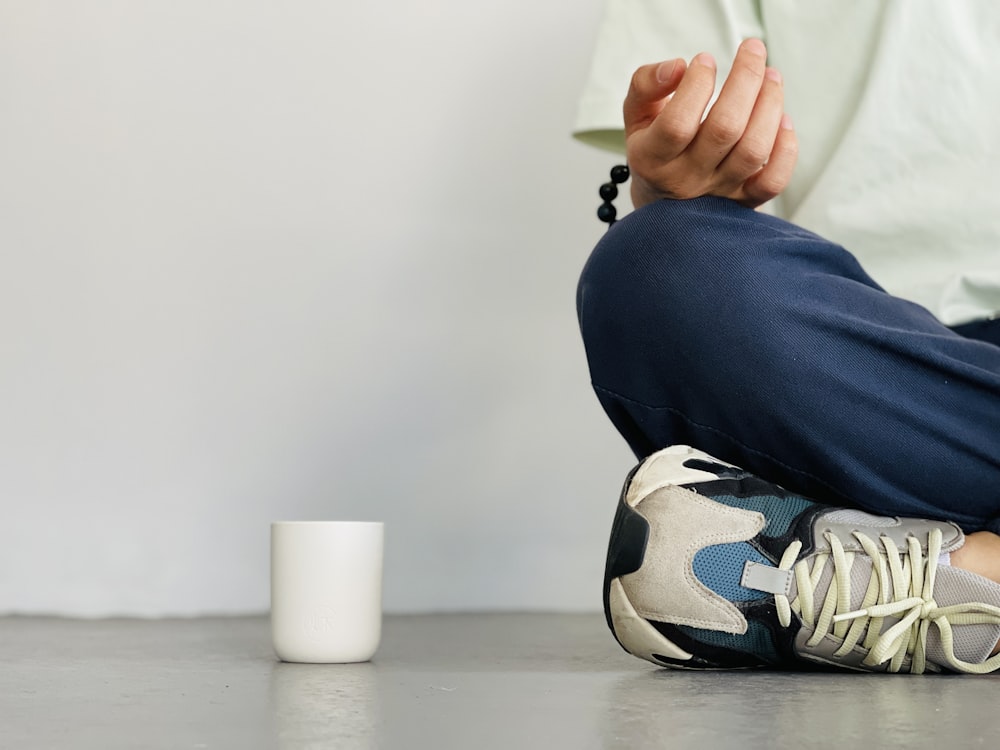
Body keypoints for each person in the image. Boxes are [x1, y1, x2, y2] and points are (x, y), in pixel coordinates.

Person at [573, 8, 1000, 673]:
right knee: (651, 266)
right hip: (874, 371)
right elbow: (683, 156)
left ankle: (955, 579)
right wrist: (680, 191)